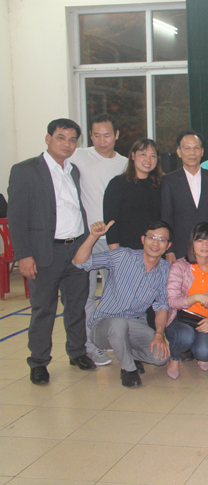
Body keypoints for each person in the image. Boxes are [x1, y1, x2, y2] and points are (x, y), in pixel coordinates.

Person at [7, 118, 95, 384]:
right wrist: (23, 254)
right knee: (43, 309)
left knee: (76, 306)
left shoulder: (73, 170)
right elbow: (16, 217)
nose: (67, 144)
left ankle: (77, 352)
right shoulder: (25, 170)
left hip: (76, 250)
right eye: (61, 137)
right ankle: (38, 362)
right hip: (45, 252)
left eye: (72, 140)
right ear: (48, 139)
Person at [73, 220, 173, 387]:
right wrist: (93, 237)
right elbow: (79, 262)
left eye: (162, 239)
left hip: (135, 323)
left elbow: (162, 306)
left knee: (161, 357)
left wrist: (159, 333)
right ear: (143, 239)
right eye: (151, 237)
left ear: (168, 246)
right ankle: (129, 370)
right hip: (104, 324)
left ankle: (126, 352)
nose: (156, 243)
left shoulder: (165, 270)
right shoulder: (122, 256)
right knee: (118, 324)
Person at [69, 113, 128, 366]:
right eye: (96, 135)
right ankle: (89, 347)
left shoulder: (125, 164)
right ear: (89, 136)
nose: (102, 141)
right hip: (87, 239)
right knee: (87, 294)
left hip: (115, 240)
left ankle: (109, 337)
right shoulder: (78, 155)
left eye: (107, 135)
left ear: (116, 135)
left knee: (116, 294)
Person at [164, 222, 208, 379]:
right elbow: (172, 301)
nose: (205, 245)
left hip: (205, 319)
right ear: (192, 243)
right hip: (181, 318)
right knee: (186, 337)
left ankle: (197, 347)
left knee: (205, 354)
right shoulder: (180, 266)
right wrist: (197, 297)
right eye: (199, 240)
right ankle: (174, 357)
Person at [162, 130, 208, 264]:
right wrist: (169, 250)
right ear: (179, 152)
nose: (192, 153)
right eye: (187, 148)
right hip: (181, 249)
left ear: (202, 151)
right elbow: (166, 218)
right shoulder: (169, 181)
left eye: (196, 148)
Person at [104, 138, 163, 250]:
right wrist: (116, 254)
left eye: (153, 156)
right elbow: (111, 223)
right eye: (143, 154)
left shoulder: (161, 184)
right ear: (133, 155)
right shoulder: (118, 184)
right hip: (127, 250)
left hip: (156, 250)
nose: (148, 159)